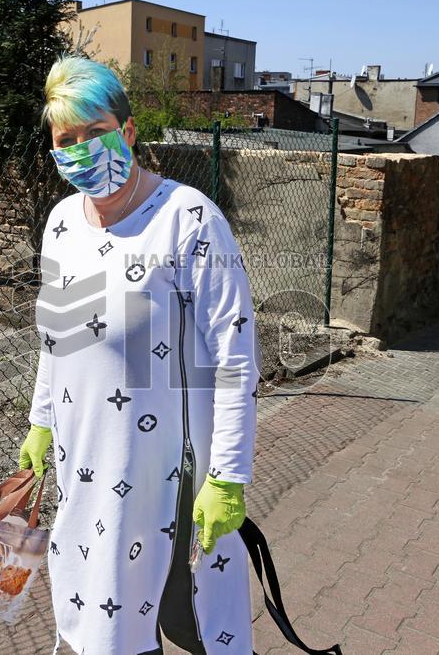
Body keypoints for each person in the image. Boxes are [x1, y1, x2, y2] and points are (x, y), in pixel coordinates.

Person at [18, 55, 261, 654]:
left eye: (95, 132)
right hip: (84, 460)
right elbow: (58, 334)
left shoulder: (189, 220)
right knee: (94, 615)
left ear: (127, 132)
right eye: (65, 140)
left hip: (164, 470)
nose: (81, 150)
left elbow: (233, 356)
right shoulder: (60, 224)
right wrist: (41, 420)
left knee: (173, 614)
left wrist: (227, 475)